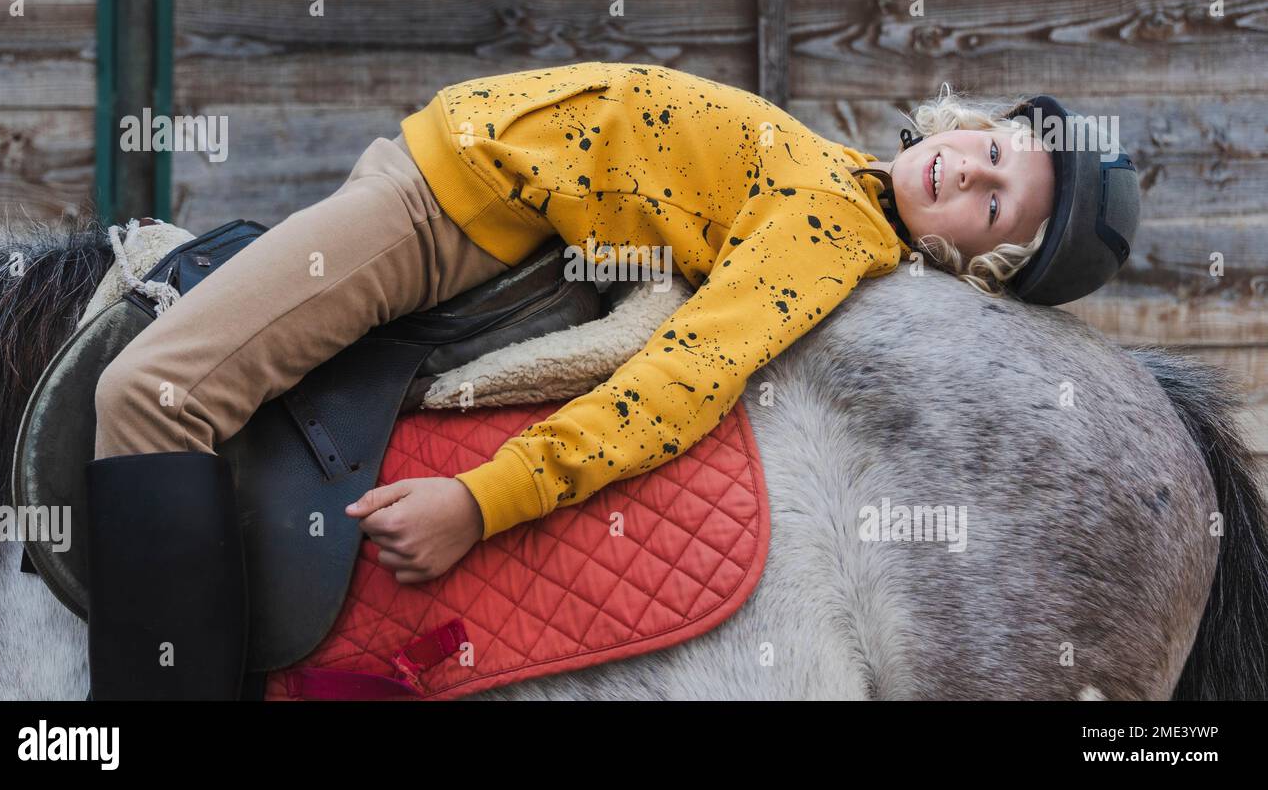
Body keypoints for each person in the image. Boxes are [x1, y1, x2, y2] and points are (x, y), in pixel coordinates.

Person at [86, 63, 1139, 698]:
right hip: (436, 169)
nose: (970, 168)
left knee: (150, 394)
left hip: (440, 209)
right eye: (991, 144)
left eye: (994, 202)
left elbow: (690, 377)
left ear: (975, 264)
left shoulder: (832, 233)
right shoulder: (838, 173)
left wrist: (482, 495)